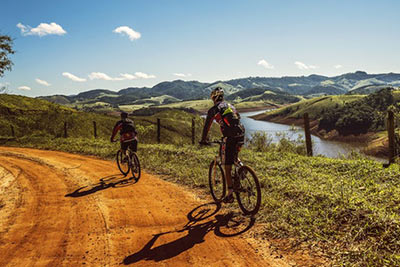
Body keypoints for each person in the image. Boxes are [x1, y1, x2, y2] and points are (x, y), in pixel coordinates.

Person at [200, 87, 245, 203]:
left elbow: (207, 127)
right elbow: (238, 119)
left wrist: (203, 140)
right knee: (234, 157)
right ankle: (242, 168)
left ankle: (230, 195)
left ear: (213, 98)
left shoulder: (213, 110)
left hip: (229, 138)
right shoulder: (231, 106)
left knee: (227, 166)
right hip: (241, 134)